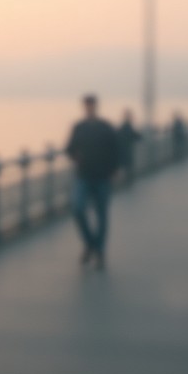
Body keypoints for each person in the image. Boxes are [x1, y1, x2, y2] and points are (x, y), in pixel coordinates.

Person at [64, 94, 120, 269]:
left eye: (91, 105)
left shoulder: (106, 127)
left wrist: (113, 170)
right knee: (78, 209)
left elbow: (116, 149)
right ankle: (90, 244)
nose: (89, 108)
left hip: (102, 177)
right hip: (83, 176)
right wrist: (75, 156)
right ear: (84, 107)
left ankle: (99, 251)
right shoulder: (78, 127)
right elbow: (69, 149)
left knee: (102, 215)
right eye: (87, 106)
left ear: (96, 106)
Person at [115, 109, 142, 182]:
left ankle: (128, 182)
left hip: (124, 151)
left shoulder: (123, 127)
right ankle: (128, 182)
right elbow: (134, 136)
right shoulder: (127, 126)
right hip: (126, 151)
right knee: (128, 167)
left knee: (126, 168)